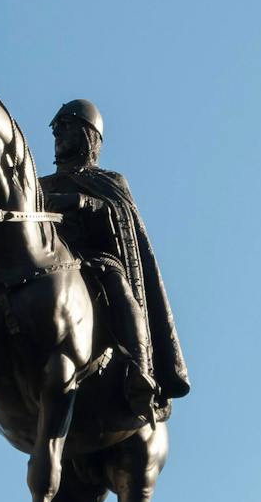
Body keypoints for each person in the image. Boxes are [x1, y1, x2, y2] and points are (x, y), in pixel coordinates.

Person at [42, 99, 189, 418]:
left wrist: (81, 202)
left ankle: (140, 372)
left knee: (119, 288)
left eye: (64, 127)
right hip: (47, 267)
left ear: (86, 135)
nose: (57, 135)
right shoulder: (40, 185)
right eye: (55, 129)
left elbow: (120, 216)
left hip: (96, 262)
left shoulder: (110, 181)